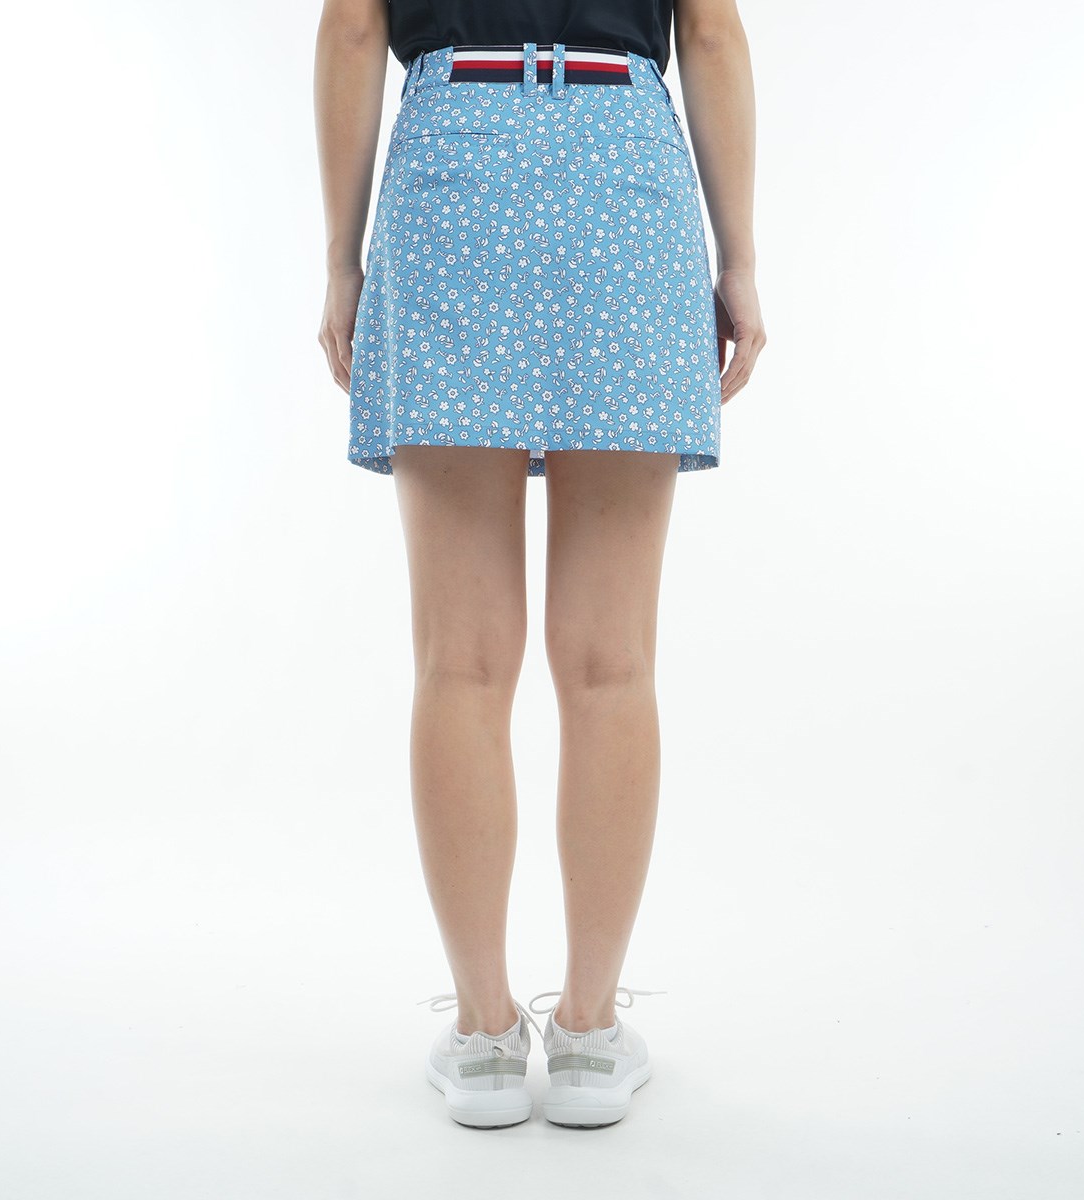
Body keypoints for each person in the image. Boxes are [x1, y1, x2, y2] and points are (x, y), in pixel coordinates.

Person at [314, 0, 764, 1128]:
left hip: (453, 171)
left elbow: (354, 32)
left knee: (460, 665)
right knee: (612, 665)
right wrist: (743, 258)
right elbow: (711, 35)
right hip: (623, 178)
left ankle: (480, 1038)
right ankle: (590, 1038)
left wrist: (340, 261)